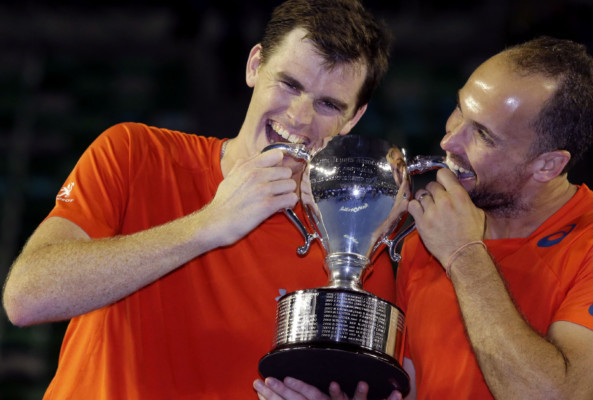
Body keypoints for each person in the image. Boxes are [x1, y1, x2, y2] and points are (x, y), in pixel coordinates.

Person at [1, 0, 394, 398]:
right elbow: (27, 297)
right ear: (254, 65)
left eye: (328, 104)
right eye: (289, 84)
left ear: (354, 118)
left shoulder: (354, 242)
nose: (299, 116)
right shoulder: (135, 153)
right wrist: (210, 224)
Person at [257, 37, 593, 400]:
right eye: (459, 109)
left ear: (548, 165)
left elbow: (558, 394)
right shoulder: (423, 240)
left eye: (484, 135)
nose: (450, 139)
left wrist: (464, 253)